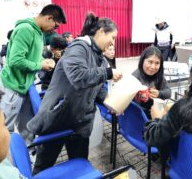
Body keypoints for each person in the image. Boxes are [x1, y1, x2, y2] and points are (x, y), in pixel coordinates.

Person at [27, 12, 123, 174]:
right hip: (58, 118)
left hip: (79, 122)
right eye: (112, 37)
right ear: (100, 31)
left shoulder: (99, 57)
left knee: (79, 165)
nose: (113, 42)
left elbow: (98, 89)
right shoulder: (79, 47)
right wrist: (108, 73)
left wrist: (110, 103)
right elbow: (78, 77)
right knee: (44, 166)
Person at [0, 4, 66, 143]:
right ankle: (4, 162)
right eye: (55, 26)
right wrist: (40, 65)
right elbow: (15, 60)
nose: (54, 30)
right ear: (49, 18)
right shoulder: (25, 29)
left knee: (27, 127)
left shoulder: (38, 32)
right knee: (4, 130)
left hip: (24, 85)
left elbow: (32, 56)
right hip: (12, 86)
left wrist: (44, 61)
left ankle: (28, 156)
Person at [132, 46, 171, 119]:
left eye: (157, 63)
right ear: (143, 60)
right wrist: (137, 96)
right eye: (150, 62)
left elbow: (168, 92)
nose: (153, 67)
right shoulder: (135, 77)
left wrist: (159, 93)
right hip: (139, 116)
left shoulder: (159, 76)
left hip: (157, 114)